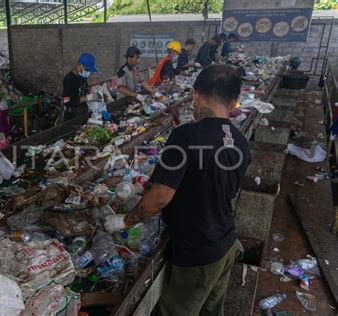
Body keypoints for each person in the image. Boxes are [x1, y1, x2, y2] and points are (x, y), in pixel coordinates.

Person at [104, 64, 251, 315]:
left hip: (198, 253)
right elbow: (212, 182)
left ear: (196, 94)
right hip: (226, 242)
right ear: (235, 101)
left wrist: (125, 221)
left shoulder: (186, 136)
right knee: (211, 311)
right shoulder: (240, 140)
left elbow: (161, 197)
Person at [62, 53, 100, 122]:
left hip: (82, 113)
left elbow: (81, 89)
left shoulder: (82, 76)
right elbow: (67, 102)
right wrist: (87, 98)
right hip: (72, 117)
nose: (88, 72)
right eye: (87, 70)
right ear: (80, 65)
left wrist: (90, 87)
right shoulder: (69, 79)